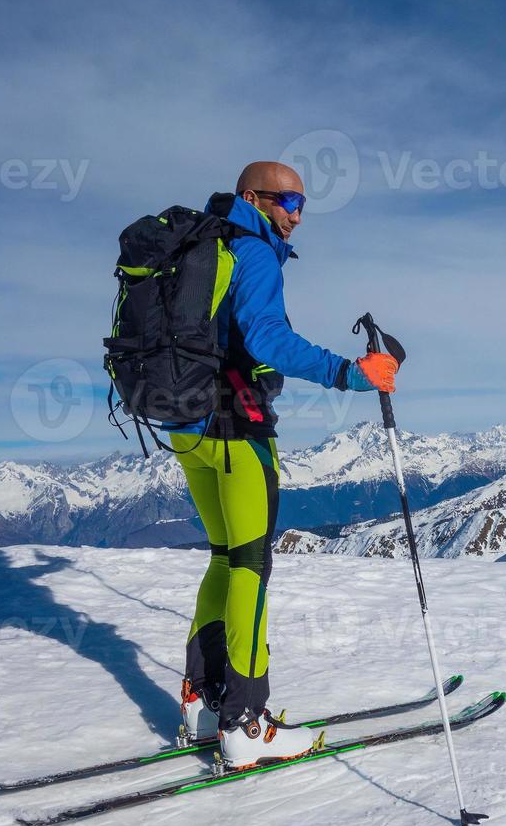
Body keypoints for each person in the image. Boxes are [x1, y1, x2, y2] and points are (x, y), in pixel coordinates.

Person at [167, 160, 399, 768]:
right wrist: (349, 373)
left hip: (187, 427)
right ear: (254, 198)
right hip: (235, 427)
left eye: (302, 204)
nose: (297, 215)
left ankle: (201, 702)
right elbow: (267, 339)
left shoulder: (207, 244)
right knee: (251, 567)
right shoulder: (253, 251)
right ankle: (244, 723)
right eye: (287, 201)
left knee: (225, 558)